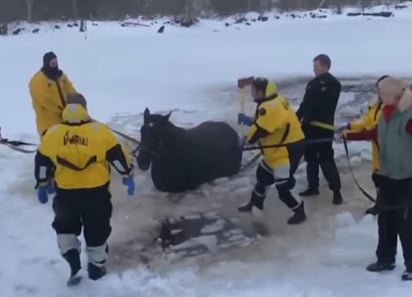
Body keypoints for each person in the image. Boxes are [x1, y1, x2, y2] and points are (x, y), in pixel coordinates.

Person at [34, 93, 135, 284]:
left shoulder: (53, 134)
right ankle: (96, 266)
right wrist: (127, 176)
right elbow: (118, 157)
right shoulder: (101, 132)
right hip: (96, 193)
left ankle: (71, 256)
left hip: (66, 194)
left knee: (65, 226)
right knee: (97, 226)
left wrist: (42, 184)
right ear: (85, 109)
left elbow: (41, 162)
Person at [360, 76, 412, 281]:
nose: (378, 96)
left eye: (381, 92)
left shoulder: (408, 115)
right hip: (388, 175)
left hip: (407, 178)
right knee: (385, 219)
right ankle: (385, 258)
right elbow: (377, 132)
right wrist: (349, 136)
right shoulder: (386, 112)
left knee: (406, 223)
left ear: (390, 93)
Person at [237, 77, 306, 224]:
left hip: (286, 152)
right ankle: (256, 203)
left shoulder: (270, 107)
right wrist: (249, 120)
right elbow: (265, 122)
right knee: (262, 175)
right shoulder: (272, 101)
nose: (252, 94)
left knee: (284, 187)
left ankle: (299, 210)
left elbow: (260, 131)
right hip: (276, 150)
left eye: (254, 91)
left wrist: (246, 139)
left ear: (262, 92)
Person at [296, 54, 343, 205]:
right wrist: (296, 118)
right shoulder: (312, 84)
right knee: (310, 159)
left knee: (326, 160)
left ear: (324, 66)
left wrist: (311, 115)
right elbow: (305, 104)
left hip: (323, 128)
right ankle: (312, 186)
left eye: (316, 66)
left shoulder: (332, 84)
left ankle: (336, 190)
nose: (313, 69)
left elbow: (324, 104)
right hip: (308, 128)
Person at [337, 75, 387, 215]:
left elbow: (374, 132)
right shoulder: (376, 105)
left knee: (388, 180)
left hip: (390, 151)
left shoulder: (391, 109)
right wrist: (350, 126)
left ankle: (389, 207)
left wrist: (350, 135)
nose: (378, 92)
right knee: (378, 177)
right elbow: (366, 122)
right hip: (378, 149)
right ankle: (380, 204)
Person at [29, 51, 77, 138]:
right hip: (49, 122)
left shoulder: (61, 76)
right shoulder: (38, 80)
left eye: (56, 62)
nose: (55, 65)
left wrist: (78, 104)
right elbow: (44, 102)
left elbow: (71, 91)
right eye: (52, 63)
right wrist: (62, 111)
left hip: (66, 119)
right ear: (47, 63)